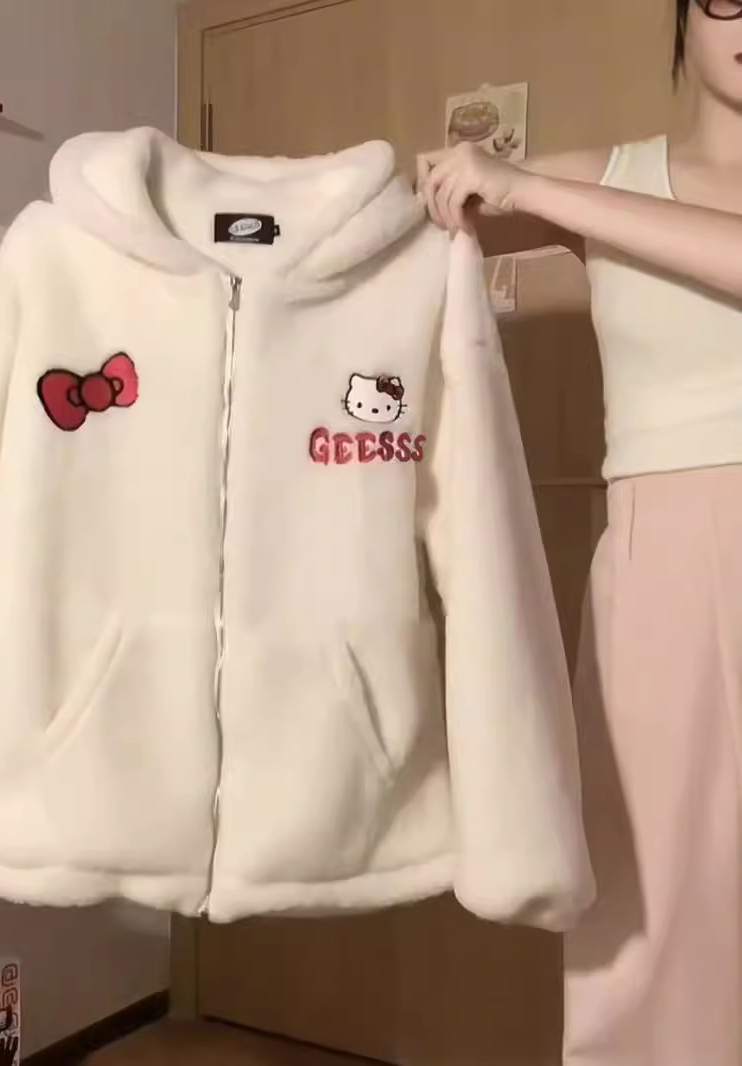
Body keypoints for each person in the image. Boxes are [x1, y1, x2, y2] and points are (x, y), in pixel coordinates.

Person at [417, 1, 742, 1063]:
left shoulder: (577, 192)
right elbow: (413, 215)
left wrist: (534, 191)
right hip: (663, 561)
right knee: (649, 886)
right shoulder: (611, 177)